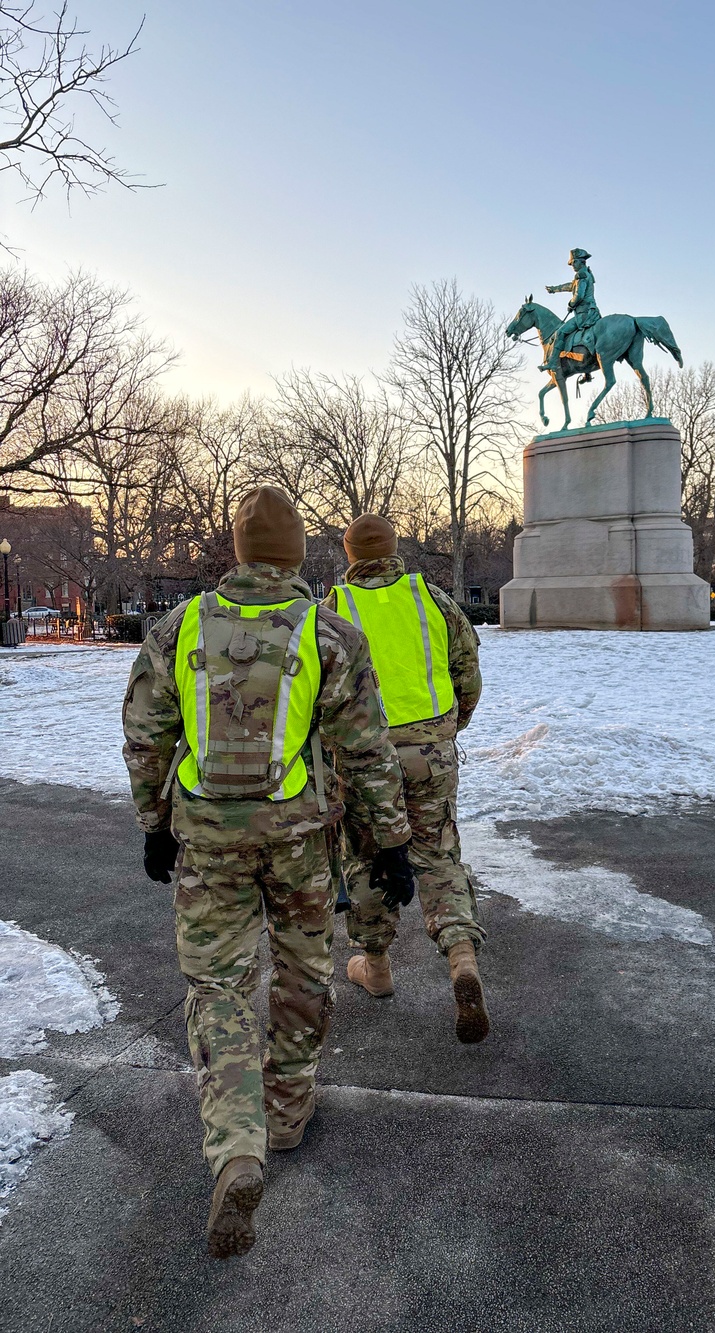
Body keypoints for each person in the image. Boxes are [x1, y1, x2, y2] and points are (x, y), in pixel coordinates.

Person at [122, 486, 413, 1260]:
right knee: (302, 968)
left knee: (216, 987)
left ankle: (236, 1144)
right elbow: (367, 749)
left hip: (208, 838)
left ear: (240, 550)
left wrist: (155, 823)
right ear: (295, 557)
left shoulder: (178, 627)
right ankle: (286, 1108)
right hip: (300, 838)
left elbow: (146, 736)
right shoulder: (329, 633)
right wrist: (389, 842)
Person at [324, 514, 489, 1043]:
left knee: (368, 858)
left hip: (363, 759)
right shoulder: (434, 600)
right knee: (439, 856)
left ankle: (375, 967)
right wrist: (443, 731)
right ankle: (461, 956)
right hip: (431, 752)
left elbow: (317, 697)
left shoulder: (331, 610)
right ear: (395, 549)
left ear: (349, 554)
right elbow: (467, 677)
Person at [543, 247, 601, 372]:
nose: (572, 265)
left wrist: (571, 304)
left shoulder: (581, 274)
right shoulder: (586, 274)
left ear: (582, 261)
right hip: (592, 312)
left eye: (574, 262)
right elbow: (571, 286)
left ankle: (552, 363)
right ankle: (587, 372)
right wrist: (554, 289)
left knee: (560, 333)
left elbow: (579, 295)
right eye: (572, 263)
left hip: (584, 314)